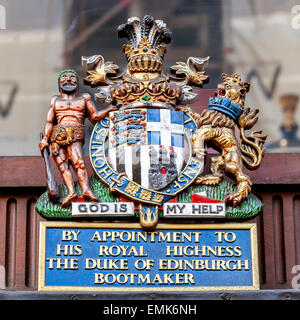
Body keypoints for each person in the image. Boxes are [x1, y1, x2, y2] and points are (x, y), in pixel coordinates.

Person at [39, 69, 116, 206]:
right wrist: (45, 138)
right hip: (57, 136)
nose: (68, 80)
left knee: (79, 163)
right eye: (64, 78)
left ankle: (86, 190)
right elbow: (50, 122)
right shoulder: (55, 100)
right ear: (59, 83)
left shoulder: (84, 98)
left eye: (72, 77)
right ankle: (71, 192)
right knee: (63, 167)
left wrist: (109, 109)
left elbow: (94, 117)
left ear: (77, 83)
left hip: (75, 134)